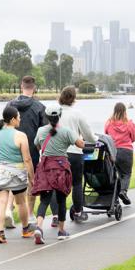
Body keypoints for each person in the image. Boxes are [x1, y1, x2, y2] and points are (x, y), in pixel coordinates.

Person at [32, 104, 85, 243]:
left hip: (45, 167)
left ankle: (38, 227)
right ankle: (61, 231)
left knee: (44, 201)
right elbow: (80, 144)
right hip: (61, 168)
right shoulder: (66, 131)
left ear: (47, 117)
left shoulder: (40, 131)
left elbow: (37, 146)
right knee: (62, 201)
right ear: (59, 116)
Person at [0, 106, 35, 243]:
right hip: (17, 174)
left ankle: (0, 233)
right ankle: (25, 230)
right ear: (13, 119)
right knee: (21, 202)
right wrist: (32, 177)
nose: (20, 119)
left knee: (1, 202)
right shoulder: (20, 136)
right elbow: (27, 159)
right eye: (19, 117)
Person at [9, 76, 47, 225]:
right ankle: (30, 214)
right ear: (34, 88)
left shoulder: (10, 105)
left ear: (21, 86)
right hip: (32, 149)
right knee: (32, 181)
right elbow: (43, 132)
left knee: (12, 180)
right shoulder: (39, 107)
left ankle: (9, 211)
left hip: (12, 147)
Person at [58, 86, 95, 222]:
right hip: (74, 152)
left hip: (57, 153)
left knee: (57, 184)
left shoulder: (55, 112)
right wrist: (95, 139)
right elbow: (88, 135)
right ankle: (78, 212)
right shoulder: (77, 114)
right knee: (77, 183)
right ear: (73, 98)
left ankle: (56, 216)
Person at [104, 103, 135, 205]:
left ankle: (114, 195)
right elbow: (133, 138)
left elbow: (106, 136)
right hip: (126, 151)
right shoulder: (129, 123)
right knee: (126, 174)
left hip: (113, 151)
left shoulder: (109, 123)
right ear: (124, 111)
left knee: (115, 174)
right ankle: (123, 191)